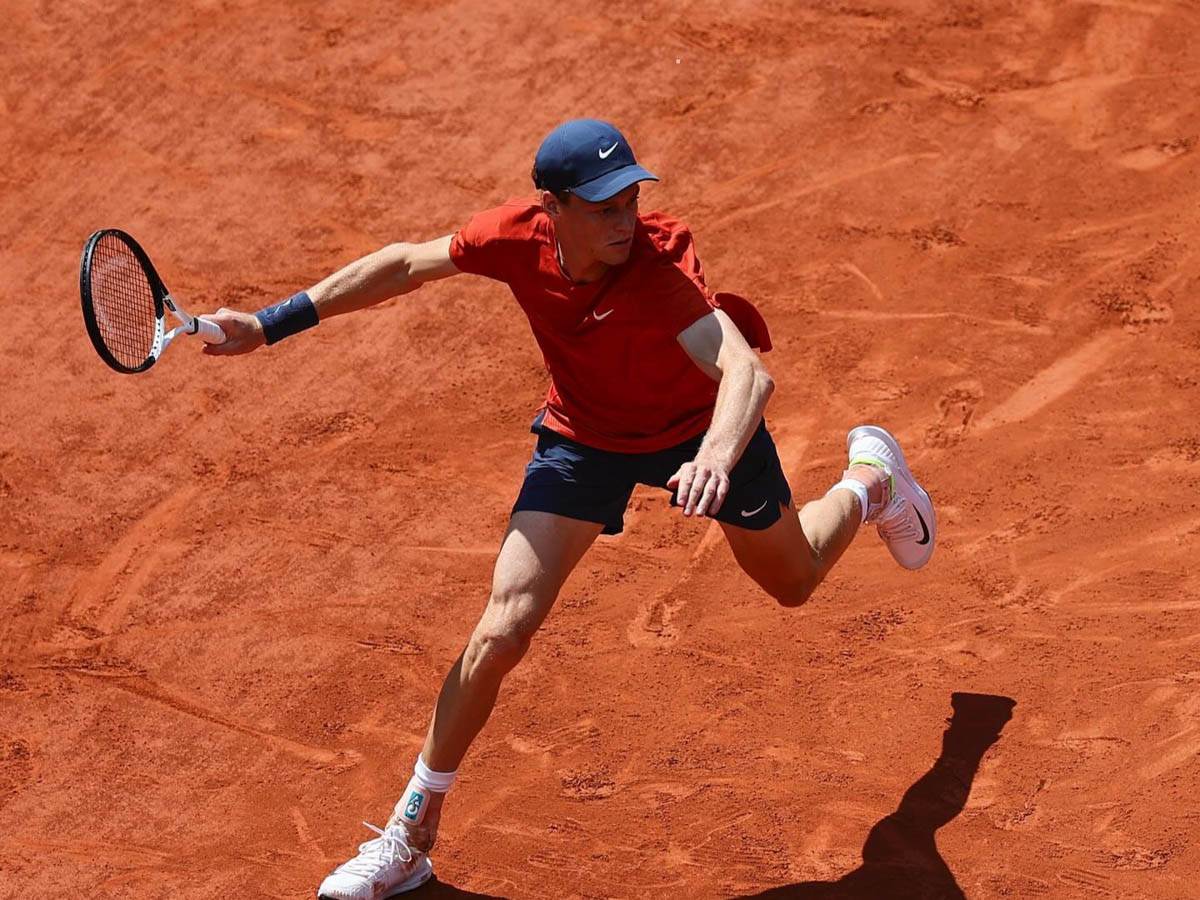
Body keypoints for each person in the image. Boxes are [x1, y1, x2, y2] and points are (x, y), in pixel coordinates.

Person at [202, 118, 936, 899]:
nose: (624, 221)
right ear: (552, 207)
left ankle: (871, 482)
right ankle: (409, 836)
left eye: (630, 201)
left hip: (699, 431)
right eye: (603, 207)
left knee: (793, 579)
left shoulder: (659, 270)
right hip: (585, 438)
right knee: (503, 626)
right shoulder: (514, 238)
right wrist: (270, 324)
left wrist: (716, 459)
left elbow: (745, 375)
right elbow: (406, 264)